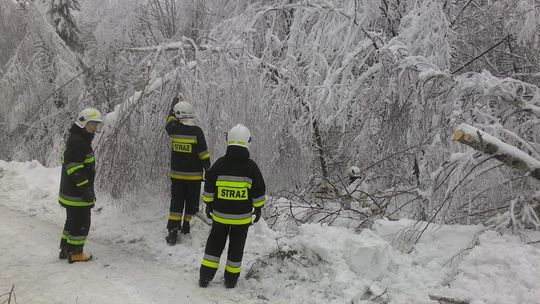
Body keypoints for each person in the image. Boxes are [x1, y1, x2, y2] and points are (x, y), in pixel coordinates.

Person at [199, 124, 266, 288]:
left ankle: (205, 277)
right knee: (236, 249)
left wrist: (208, 205)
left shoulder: (220, 164)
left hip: (220, 216)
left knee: (214, 245)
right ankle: (230, 280)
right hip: (241, 221)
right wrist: (258, 209)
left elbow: (209, 185)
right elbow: (259, 189)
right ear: (247, 143)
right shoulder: (252, 167)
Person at [58, 107, 103, 263]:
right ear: (83, 123)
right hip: (76, 194)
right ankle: (75, 253)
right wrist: (85, 189)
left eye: (97, 125)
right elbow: (75, 169)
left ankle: (65, 249)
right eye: (93, 124)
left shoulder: (78, 139)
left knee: (72, 221)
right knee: (82, 222)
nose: (95, 128)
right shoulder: (79, 142)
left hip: (71, 192)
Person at [165, 98, 211, 245]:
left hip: (177, 176)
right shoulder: (197, 132)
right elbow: (203, 153)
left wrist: (172, 109)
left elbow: (169, 122)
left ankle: (172, 231)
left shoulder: (174, 130)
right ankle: (186, 227)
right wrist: (208, 169)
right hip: (194, 178)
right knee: (191, 204)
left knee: (176, 203)